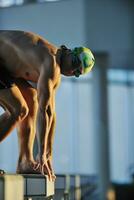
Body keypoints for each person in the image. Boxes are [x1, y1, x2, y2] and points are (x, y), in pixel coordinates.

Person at [0, 30, 95, 181]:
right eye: (75, 63)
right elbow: (45, 111)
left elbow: (51, 113)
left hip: (5, 66)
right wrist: (42, 153)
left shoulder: (55, 75)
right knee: (18, 110)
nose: (71, 70)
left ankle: (25, 161)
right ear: (68, 50)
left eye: (77, 72)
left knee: (31, 99)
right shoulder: (51, 61)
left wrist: (48, 154)